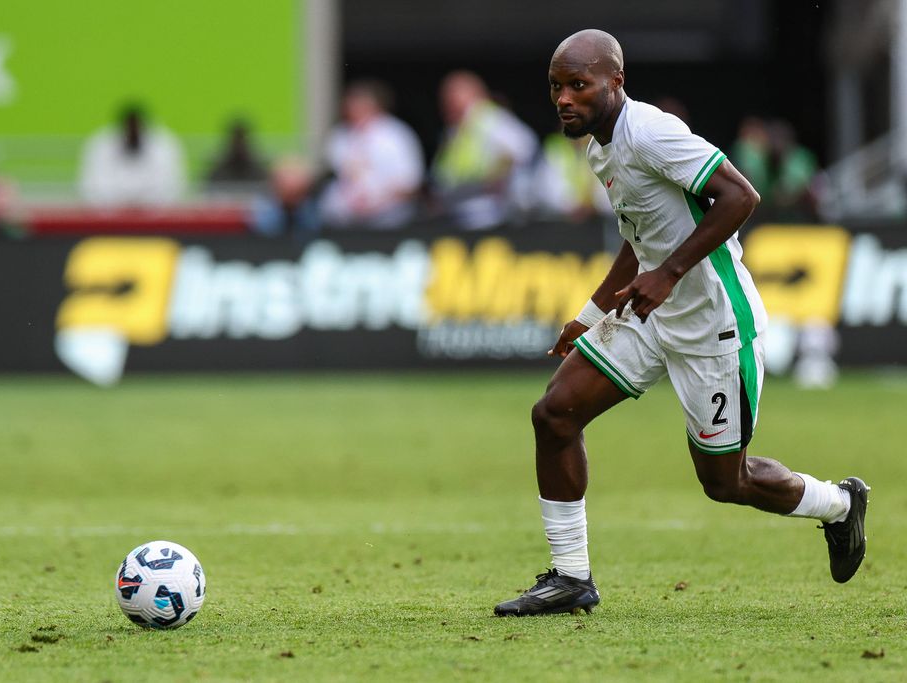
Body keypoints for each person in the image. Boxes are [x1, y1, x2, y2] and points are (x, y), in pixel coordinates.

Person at [494, 29, 869, 617]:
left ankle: (839, 504)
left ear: (615, 82)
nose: (564, 98)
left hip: (713, 322)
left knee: (727, 483)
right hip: (649, 313)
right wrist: (591, 315)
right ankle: (571, 577)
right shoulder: (598, 144)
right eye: (556, 87)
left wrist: (668, 273)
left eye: (578, 85)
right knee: (555, 413)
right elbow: (636, 235)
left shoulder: (651, 133)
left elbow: (740, 197)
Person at [431, 71, 538, 229]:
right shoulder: (455, 129)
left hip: (492, 215)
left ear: (474, 93)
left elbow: (523, 147)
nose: (447, 102)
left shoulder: (489, 117)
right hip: (462, 213)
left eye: (453, 94)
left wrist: (495, 176)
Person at [319, 80, 424, 229]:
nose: (352, 109)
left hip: (388, 224)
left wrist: (376, 202)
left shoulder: (396, 134)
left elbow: (411, 183)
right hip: (343, 224)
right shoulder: (339, 135)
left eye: (358, 103)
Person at [78, 103, 185, 206]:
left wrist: (142, 204)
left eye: (136, 128)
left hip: (155, 217)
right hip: (109, 217)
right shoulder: (100, 144)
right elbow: (92, 187)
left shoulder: (165, 144)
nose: (132, 132)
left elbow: (172, 186)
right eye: (129, 129)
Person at [205, 118, 267, 187]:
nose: (239, 147)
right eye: (237, 143)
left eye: (241, 143)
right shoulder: (218, 172)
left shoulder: (258, 172)